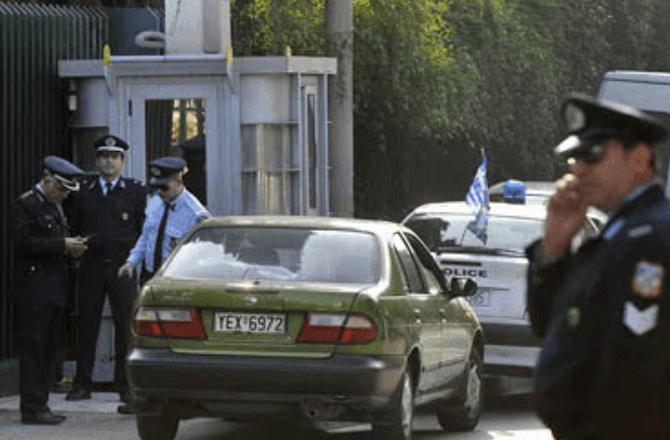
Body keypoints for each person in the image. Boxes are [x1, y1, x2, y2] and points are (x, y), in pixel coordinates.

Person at [526, 93, 670, 439]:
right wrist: (556, 243)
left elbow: (639, 367)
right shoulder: (614, 236)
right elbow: (546, 323)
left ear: (639, 158)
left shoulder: (654, 237)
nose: (578, 168)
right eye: (575, 157)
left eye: (593, 155)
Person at [65, 135, 146, 408]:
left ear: (122, 161)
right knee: (86, 324)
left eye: (114, 156)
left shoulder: (135, 191)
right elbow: (74, 225)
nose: (109, 161)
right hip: (91, 266)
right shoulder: (83, 190)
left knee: (125, 326)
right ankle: (82, 383)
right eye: (104, 156)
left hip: (122, 266)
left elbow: (141, 229)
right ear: (97, 160)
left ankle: (125, 385)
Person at [13, 156, 87, 425]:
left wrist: (71, 248)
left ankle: (40, 403)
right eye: (62, 189)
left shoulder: (55, 207)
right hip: (34, 290)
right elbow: (23, 244)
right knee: (34, 350)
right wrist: (62, 245)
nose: (65, 195)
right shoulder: (27, 205)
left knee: (47, 349)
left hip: (54, 288)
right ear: (49, 181)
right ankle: (31, 407)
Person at [118, 156, 210, 284]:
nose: (160, 192)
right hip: (149, 275)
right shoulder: (155, 201)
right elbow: (146, 236)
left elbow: (203, 253)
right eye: (156, 187)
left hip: (176, 279)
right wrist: (131, 262)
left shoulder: (195, 214)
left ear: (178, 182)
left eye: (164, 187)